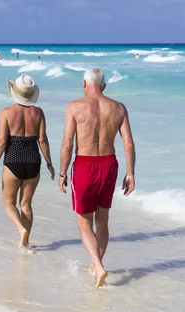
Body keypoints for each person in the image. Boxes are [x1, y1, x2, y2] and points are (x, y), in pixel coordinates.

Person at [59, 68, 135, 287]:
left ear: (84, 83)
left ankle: (98, 266)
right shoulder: (118, 108)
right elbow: (128, 142)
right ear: (104, 86)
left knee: (84, 223)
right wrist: (130, 174)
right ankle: (96, 265)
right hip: (109, 164)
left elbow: (68, 143)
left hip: (84, 165)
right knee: (103, 220)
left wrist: (63, 172)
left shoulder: (74, 107)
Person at [0, 75, 54, 248]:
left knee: (9, 203)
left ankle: (20, 229)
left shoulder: (6, 113)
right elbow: (43, 140)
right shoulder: (38, 112)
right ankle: (26, 242)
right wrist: (49, 164)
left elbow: (2, 142)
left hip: (13, 160)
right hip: (33, 160)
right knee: (26, 204)